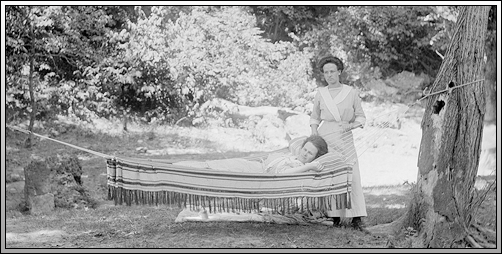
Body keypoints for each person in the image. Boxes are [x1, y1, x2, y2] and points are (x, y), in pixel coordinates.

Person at [309, 54, 369, 233]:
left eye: (332, 71)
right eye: (326, 72)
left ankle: (357, 217)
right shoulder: (321, 93)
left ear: (339, 72)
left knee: (352, 174)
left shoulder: (350, 92)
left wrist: (350, 125)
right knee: (331, 174)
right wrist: (314, 134)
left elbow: (361, 117)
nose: (329, 75)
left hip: (344, 137)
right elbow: (314, 117)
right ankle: (333, 216)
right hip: (325, 137)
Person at [264, 135, 329, 174]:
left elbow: (283, 173)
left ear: (315, 157)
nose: (305, 154)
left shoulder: (302, 167)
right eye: (305, 149)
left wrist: (308, 166)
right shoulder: (294, 156)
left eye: (310, 153)